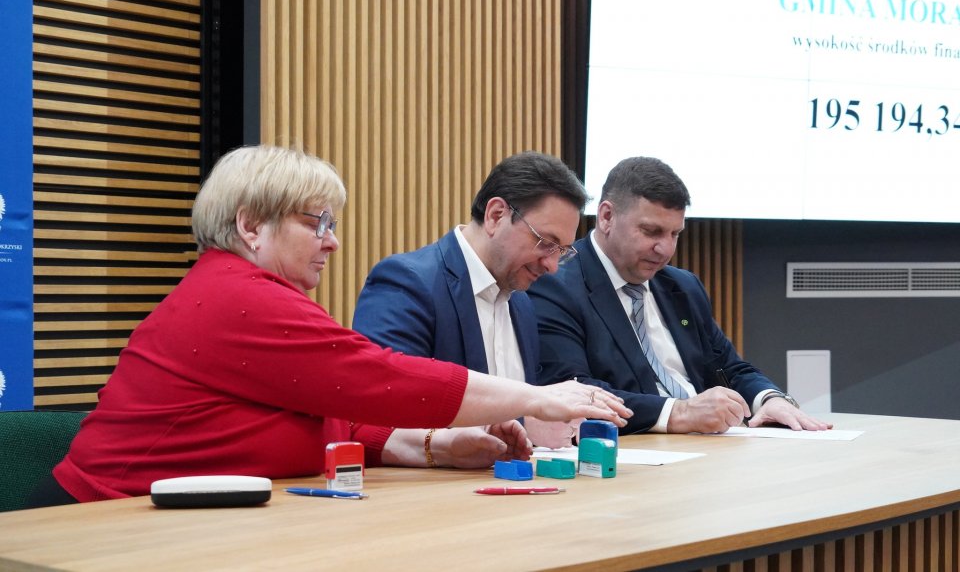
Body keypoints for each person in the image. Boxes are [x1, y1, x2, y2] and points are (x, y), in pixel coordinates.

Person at [38, 146, 630, 506]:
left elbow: (335, 416)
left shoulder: (255, 292)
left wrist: (434, 447)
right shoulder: (237, 297)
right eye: (316, 223)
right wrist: (537, 398)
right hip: (97, 524)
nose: (333, 241)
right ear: (251, 226)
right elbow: (379, 378)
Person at [527, 156, 831, 435]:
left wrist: (768, 399)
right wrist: (679, 413)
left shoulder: (683, 286)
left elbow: (728, 368)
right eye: (651, 231)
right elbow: (572, 391)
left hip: (706, 448)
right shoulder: (555, 283)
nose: (666, 249)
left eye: (674, 234)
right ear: (607, 217)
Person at [353, 152, 590, 448]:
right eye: (545, 242)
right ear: (496, 215)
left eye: (562, 251)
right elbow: (381, 409)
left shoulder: (522, 304)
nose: (552, 266)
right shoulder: (407, 281)